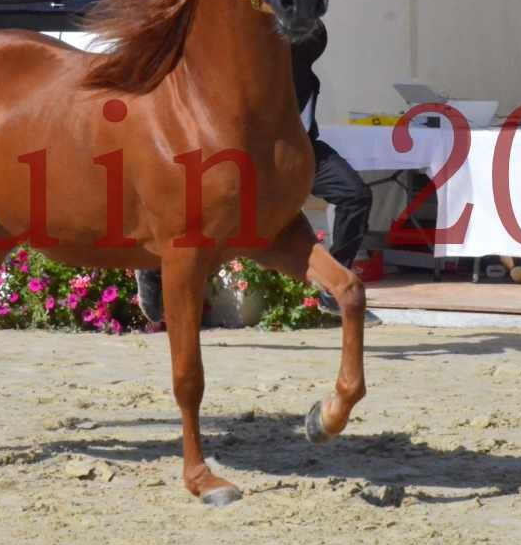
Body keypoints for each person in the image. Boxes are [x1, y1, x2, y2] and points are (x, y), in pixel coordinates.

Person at [135, 19, 372, 320]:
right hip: (259, 156)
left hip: (306, 152)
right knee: (205, 210)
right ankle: (153, 264)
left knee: (356, 194)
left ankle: (333, 285)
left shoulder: (307, 77)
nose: (315, 49)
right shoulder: (262, 76)